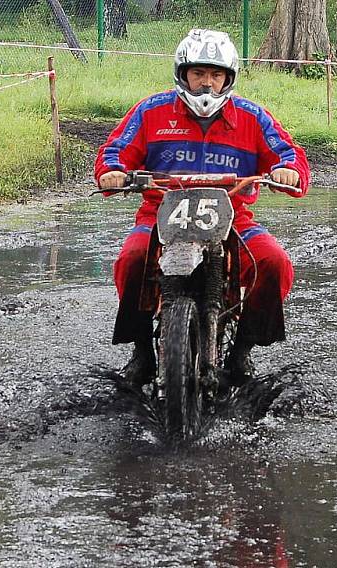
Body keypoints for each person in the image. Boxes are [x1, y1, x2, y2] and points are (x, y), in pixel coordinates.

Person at [95, 28, 310, 389]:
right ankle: (142, 351)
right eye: (198, 73)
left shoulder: (252, 117)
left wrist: (286, 171)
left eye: (215, 75)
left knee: (274, 262)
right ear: (183, 74)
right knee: (132, 260)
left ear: (228, 78)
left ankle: (243, 349)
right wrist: (112, 172)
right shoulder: (151, 111)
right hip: (160, 213)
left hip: (233, 216)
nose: (206, 84)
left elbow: (289, 154)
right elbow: (115, 150)